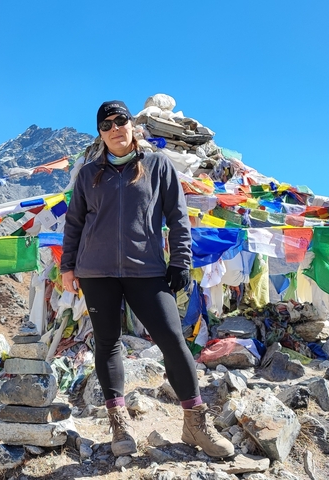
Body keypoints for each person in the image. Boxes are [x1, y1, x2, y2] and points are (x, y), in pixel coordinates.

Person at [60, 100, 234, 458]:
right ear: (100, 133)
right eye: (105, 124)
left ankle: (195, 422)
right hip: (97, 272)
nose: (114, 128)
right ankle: (119, 423)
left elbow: (178, 216)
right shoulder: (89, 174)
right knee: (107, 342)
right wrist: (67, 267)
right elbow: (74, 223)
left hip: (148, 269)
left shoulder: (157, 166)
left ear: (131, 124)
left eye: (120, 120)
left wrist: (181, 261)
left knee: (172, 338)